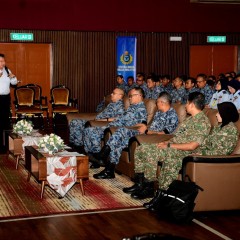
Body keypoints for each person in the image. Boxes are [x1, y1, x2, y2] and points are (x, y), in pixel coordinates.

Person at [144, 101, 239, 211]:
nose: (216, 115)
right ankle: (161, 195)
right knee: (171, 156)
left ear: (226, 114)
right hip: (200, 155)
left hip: (205, 160)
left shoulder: (230, 130)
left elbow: (221, 152)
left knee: (173, 159)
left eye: (219, 113)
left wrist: (200, 154)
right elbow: (205, 144)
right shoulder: (219, 127)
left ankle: (164, 198)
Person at [123, 92, 211, 200]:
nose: (185, 105)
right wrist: (166, 142)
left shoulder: (203, 122)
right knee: (141, 148)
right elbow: (177, 137)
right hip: (173, 146)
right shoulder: (189, 120)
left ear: (192, 104)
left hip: (182, 152)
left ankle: (149, 187)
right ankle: (140, 183)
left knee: (150, 152)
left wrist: (169, 145)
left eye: (187, 103)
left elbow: (192, 146)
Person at [92, 92, 179, 179]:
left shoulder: (172, 115)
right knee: (119, 139)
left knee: (122, 133)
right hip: (146, 134)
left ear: (162, 102)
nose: (156, 103)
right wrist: (144, 126)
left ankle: (103, 155)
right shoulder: (159, 112)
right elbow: (152, 126)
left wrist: (149, 131)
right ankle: (109, 170)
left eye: (157, 102)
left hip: (153, 138)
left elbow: (166, 133)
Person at [83, 87, 147, 169]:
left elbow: (141, 124)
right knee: (89, 130)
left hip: (122, 129)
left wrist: (143, 126)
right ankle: (93, 156)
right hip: (114, 126)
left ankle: (101, 157)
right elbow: (122, 118)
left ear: (139, 96)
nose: (129, 98)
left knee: (117, 135)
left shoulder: (141, 108)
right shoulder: (132, 107)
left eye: (131, 96)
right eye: (129, 96)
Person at [0, 53, 18, 151]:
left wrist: (13, 77)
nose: (3, 63)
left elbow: (14, 83)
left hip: (5, 98)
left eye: (3, 61)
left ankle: (6, 144)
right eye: (1, 61)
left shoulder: (7, 70)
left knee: (5, 120)